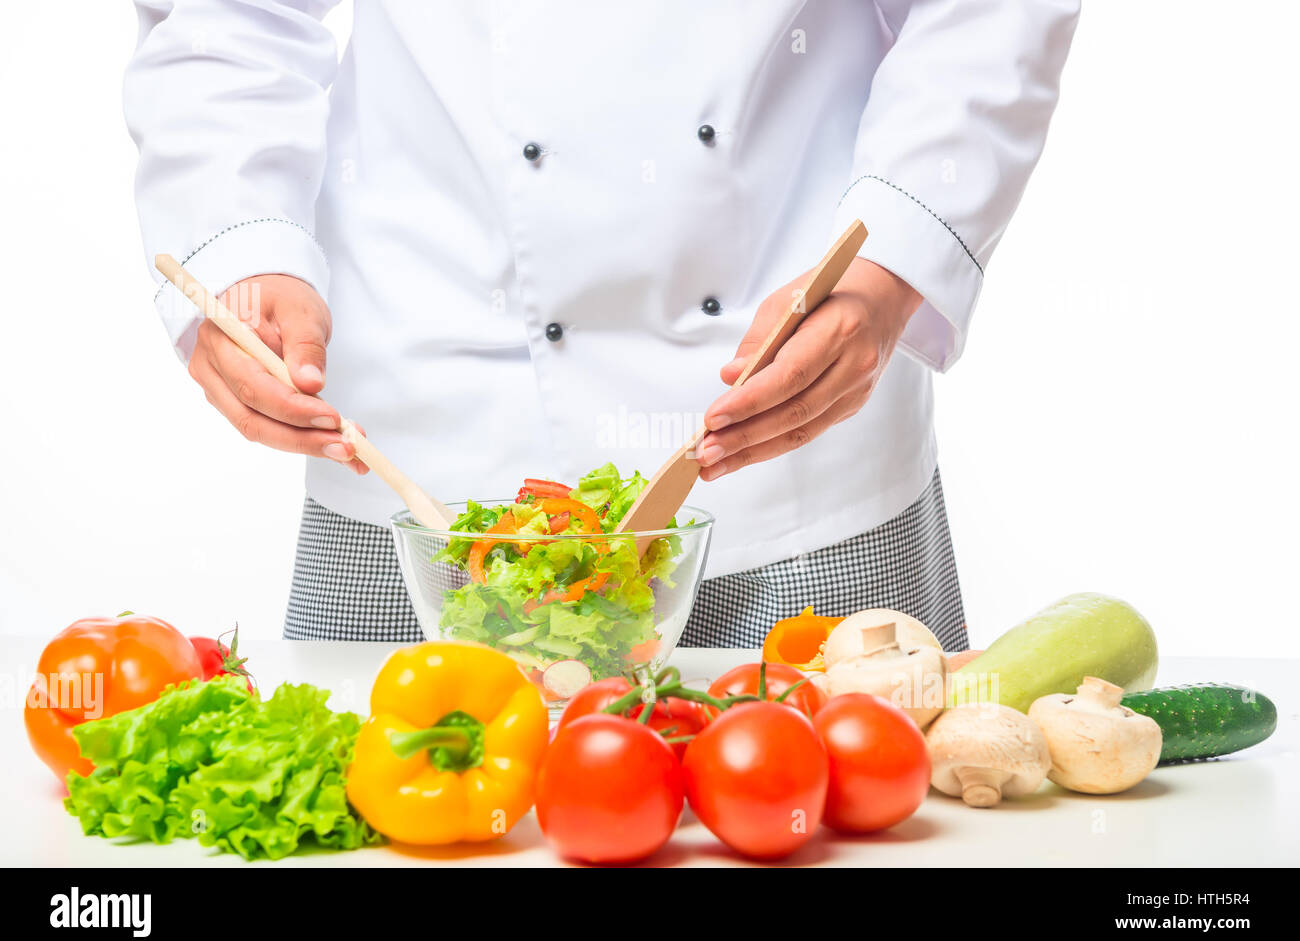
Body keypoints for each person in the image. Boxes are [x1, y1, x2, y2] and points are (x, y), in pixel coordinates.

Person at [125, 1, 1078, 649]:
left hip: (801, 458)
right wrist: (237, 242)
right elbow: (227, 19)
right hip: (421, 458)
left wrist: (898, 252)